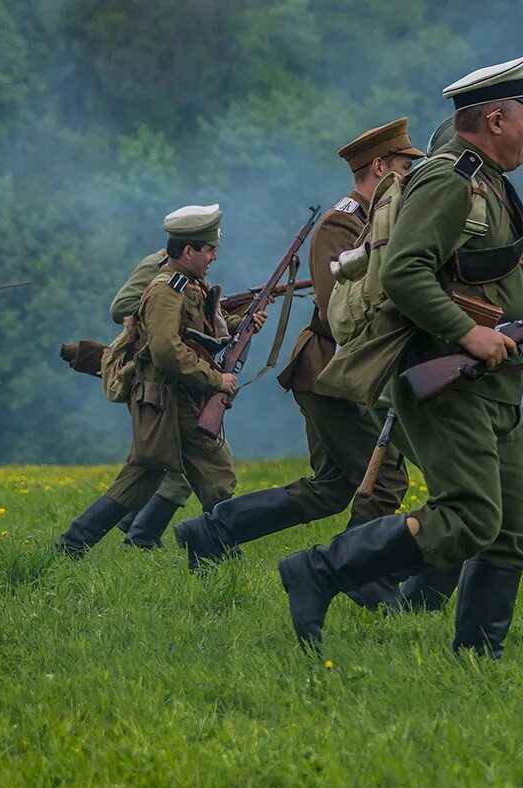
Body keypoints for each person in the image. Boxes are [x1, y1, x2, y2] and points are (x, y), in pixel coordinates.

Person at [276, 55, 523, 657]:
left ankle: (476, 661)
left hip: (498, 383)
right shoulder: (448, 179)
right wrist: (469, 335)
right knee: (469, 517)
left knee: (512, 527)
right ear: (495, 119)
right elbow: (405, 273)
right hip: (450, 376)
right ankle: (319, 571)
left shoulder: (494, 185)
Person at [172, 120, 424, 592]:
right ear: (379, 167)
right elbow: (338, 313)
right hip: (331, 373)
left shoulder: (383, 222)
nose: (411, 176)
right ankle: (355, 572)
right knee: (385, 477)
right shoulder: (342, 223)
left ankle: (211, 531)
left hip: (344, 374)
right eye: (405, 167)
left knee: (332, 488)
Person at [54, 205, 266, 557]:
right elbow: (167, 350)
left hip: (172, 396)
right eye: (209, 249)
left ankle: (72, 545)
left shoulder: (188, 287)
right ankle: (219, 551)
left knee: (145, 478)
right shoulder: (167, 290)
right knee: (216, 473)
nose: (214, 256)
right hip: (169, 397)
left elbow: (197, 335)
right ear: (188, 251)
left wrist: (240, 322)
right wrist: (216, 379)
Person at [106, 249, 201, 549]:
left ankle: (134, 527)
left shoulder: (188, 274)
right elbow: (119, 307)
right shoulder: (158, 264)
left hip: (170, 380)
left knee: (157, 466)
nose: (213, 253)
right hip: (151, 375)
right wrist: (167, 311)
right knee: (170, 468)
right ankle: (139, 536)